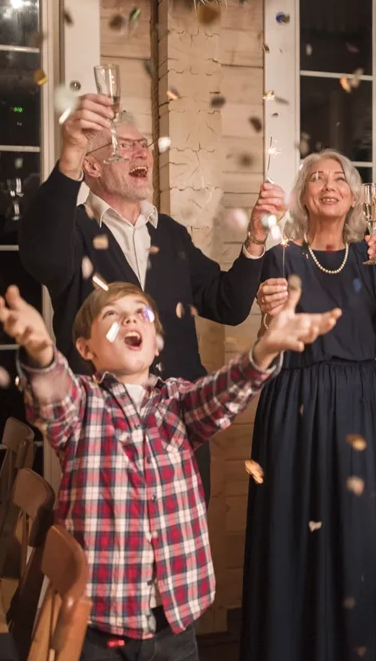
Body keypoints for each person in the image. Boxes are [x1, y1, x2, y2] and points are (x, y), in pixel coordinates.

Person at [0, 280, 340, 661]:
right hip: (97, 628)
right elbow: (53, 396)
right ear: (87, 349)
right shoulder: (83, 407)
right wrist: (40, 352)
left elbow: (220, 395)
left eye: (140, 314)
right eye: (111, 315)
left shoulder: (178, 402)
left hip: (175, 627)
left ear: (156, 342)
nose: (128, 319)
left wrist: (262, 352)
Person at [19, 94, 268, 500]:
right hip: (102, 433)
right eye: (124, 147)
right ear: (92, 165)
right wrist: (69, 157)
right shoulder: (74, 232)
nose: (141, 153)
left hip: (180, 429)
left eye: (143, 145)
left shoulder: (169, 234)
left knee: (181, 555)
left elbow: (229, 304)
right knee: (112, 557)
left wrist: (256, 238)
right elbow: (41, 255)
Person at [239, 150, 376, 661]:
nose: (329, 185)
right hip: (294, 405)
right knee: (291, 535)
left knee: (354, 536)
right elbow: (267, 343)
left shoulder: (369, 254)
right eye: (317, 177)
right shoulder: (281, 257)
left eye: (340, 178)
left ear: (355, 196)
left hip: (359, 404)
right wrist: (270, 317)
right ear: (303, 194)